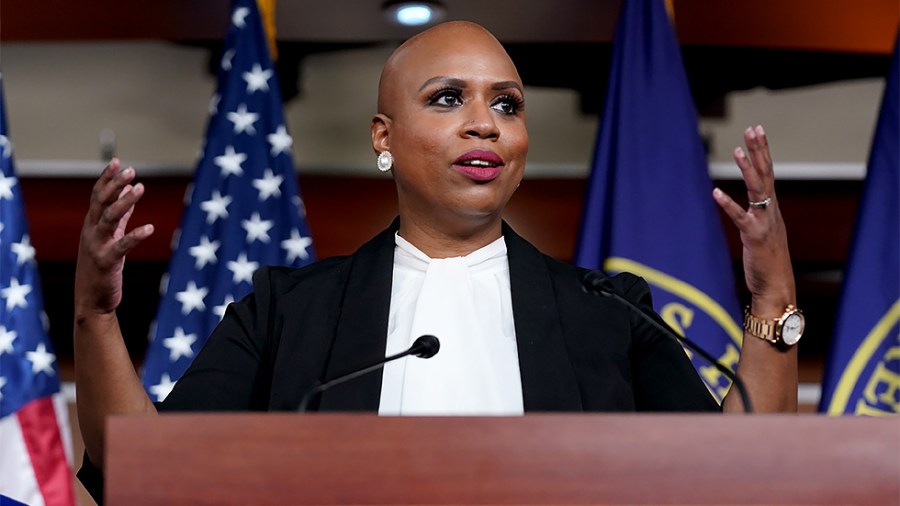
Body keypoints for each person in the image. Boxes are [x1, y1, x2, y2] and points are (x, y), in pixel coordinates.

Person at [73, 20, 799, 500]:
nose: (484, 122)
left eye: (507, 105)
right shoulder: (288, 309)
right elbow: (142, 471)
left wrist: (771, 305)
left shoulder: (604, 309)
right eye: (448, 98)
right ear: (383, 137)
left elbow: (735, 476)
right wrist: (97, 314)